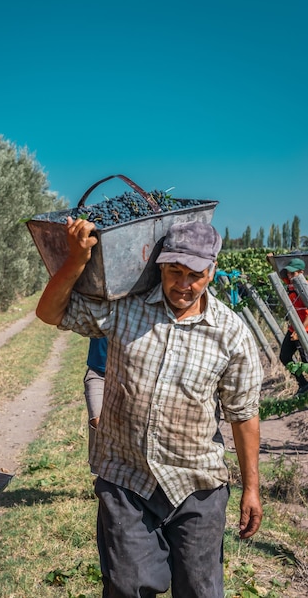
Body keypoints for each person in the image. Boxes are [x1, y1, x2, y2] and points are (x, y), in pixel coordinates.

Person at [36, 218, 263, 598]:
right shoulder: (127, 308)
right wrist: (76, 259)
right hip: (127, 478)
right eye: (175, 271)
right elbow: (49, 312)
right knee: (127, 587)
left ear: (212, 272)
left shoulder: (231, 333)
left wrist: (252, 488)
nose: (184, 284)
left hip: (197, 485)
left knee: (200, 590)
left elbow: (243, 414)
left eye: (196, 274)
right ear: (160, 265)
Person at [278, 257, 308, 393]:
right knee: (284, 356)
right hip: (293, 329)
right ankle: (303, 384)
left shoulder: (305, 288)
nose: (289, 276)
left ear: (301, 272)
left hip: (305, 330)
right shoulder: (291, 286)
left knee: (306, 360)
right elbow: (278, 273)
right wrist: (270, 260)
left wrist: (300, 331)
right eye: (288, 273)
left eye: (293, 273)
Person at [84, 336, 108, 474]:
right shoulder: (99, 314)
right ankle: (100, 473)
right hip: (98, 373)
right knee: (97, 422)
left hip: (128, 375)